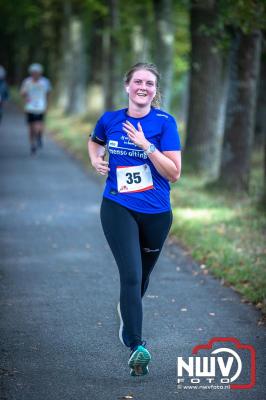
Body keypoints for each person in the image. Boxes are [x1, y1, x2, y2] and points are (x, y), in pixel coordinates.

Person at [88, 62, 182, 377]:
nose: (143, 87)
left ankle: (126, 313)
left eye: (150, 84)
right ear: (127, 86)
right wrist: (95, 158)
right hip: (117, 206)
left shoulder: (165, 123)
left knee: (141, 278)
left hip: (156, 213)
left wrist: (148, 146)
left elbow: (174, 173)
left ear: (155, 91)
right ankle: (137, 345)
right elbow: (95, 140)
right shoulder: (110, 119)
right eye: (138, 81)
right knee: (130, 275)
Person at [20, 63, 52, 155]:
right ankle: (32, 145)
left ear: (40, 73)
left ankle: (39, 136)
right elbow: (22, 93)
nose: (35, 74)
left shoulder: (45, 82)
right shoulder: (27, 82)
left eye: (37, 72)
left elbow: (48, 94)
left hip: (41, 107)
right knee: (30, 127)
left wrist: (47, 106)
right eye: (33, 72)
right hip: (30, 107)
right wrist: (25, 98)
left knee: (38, 126)